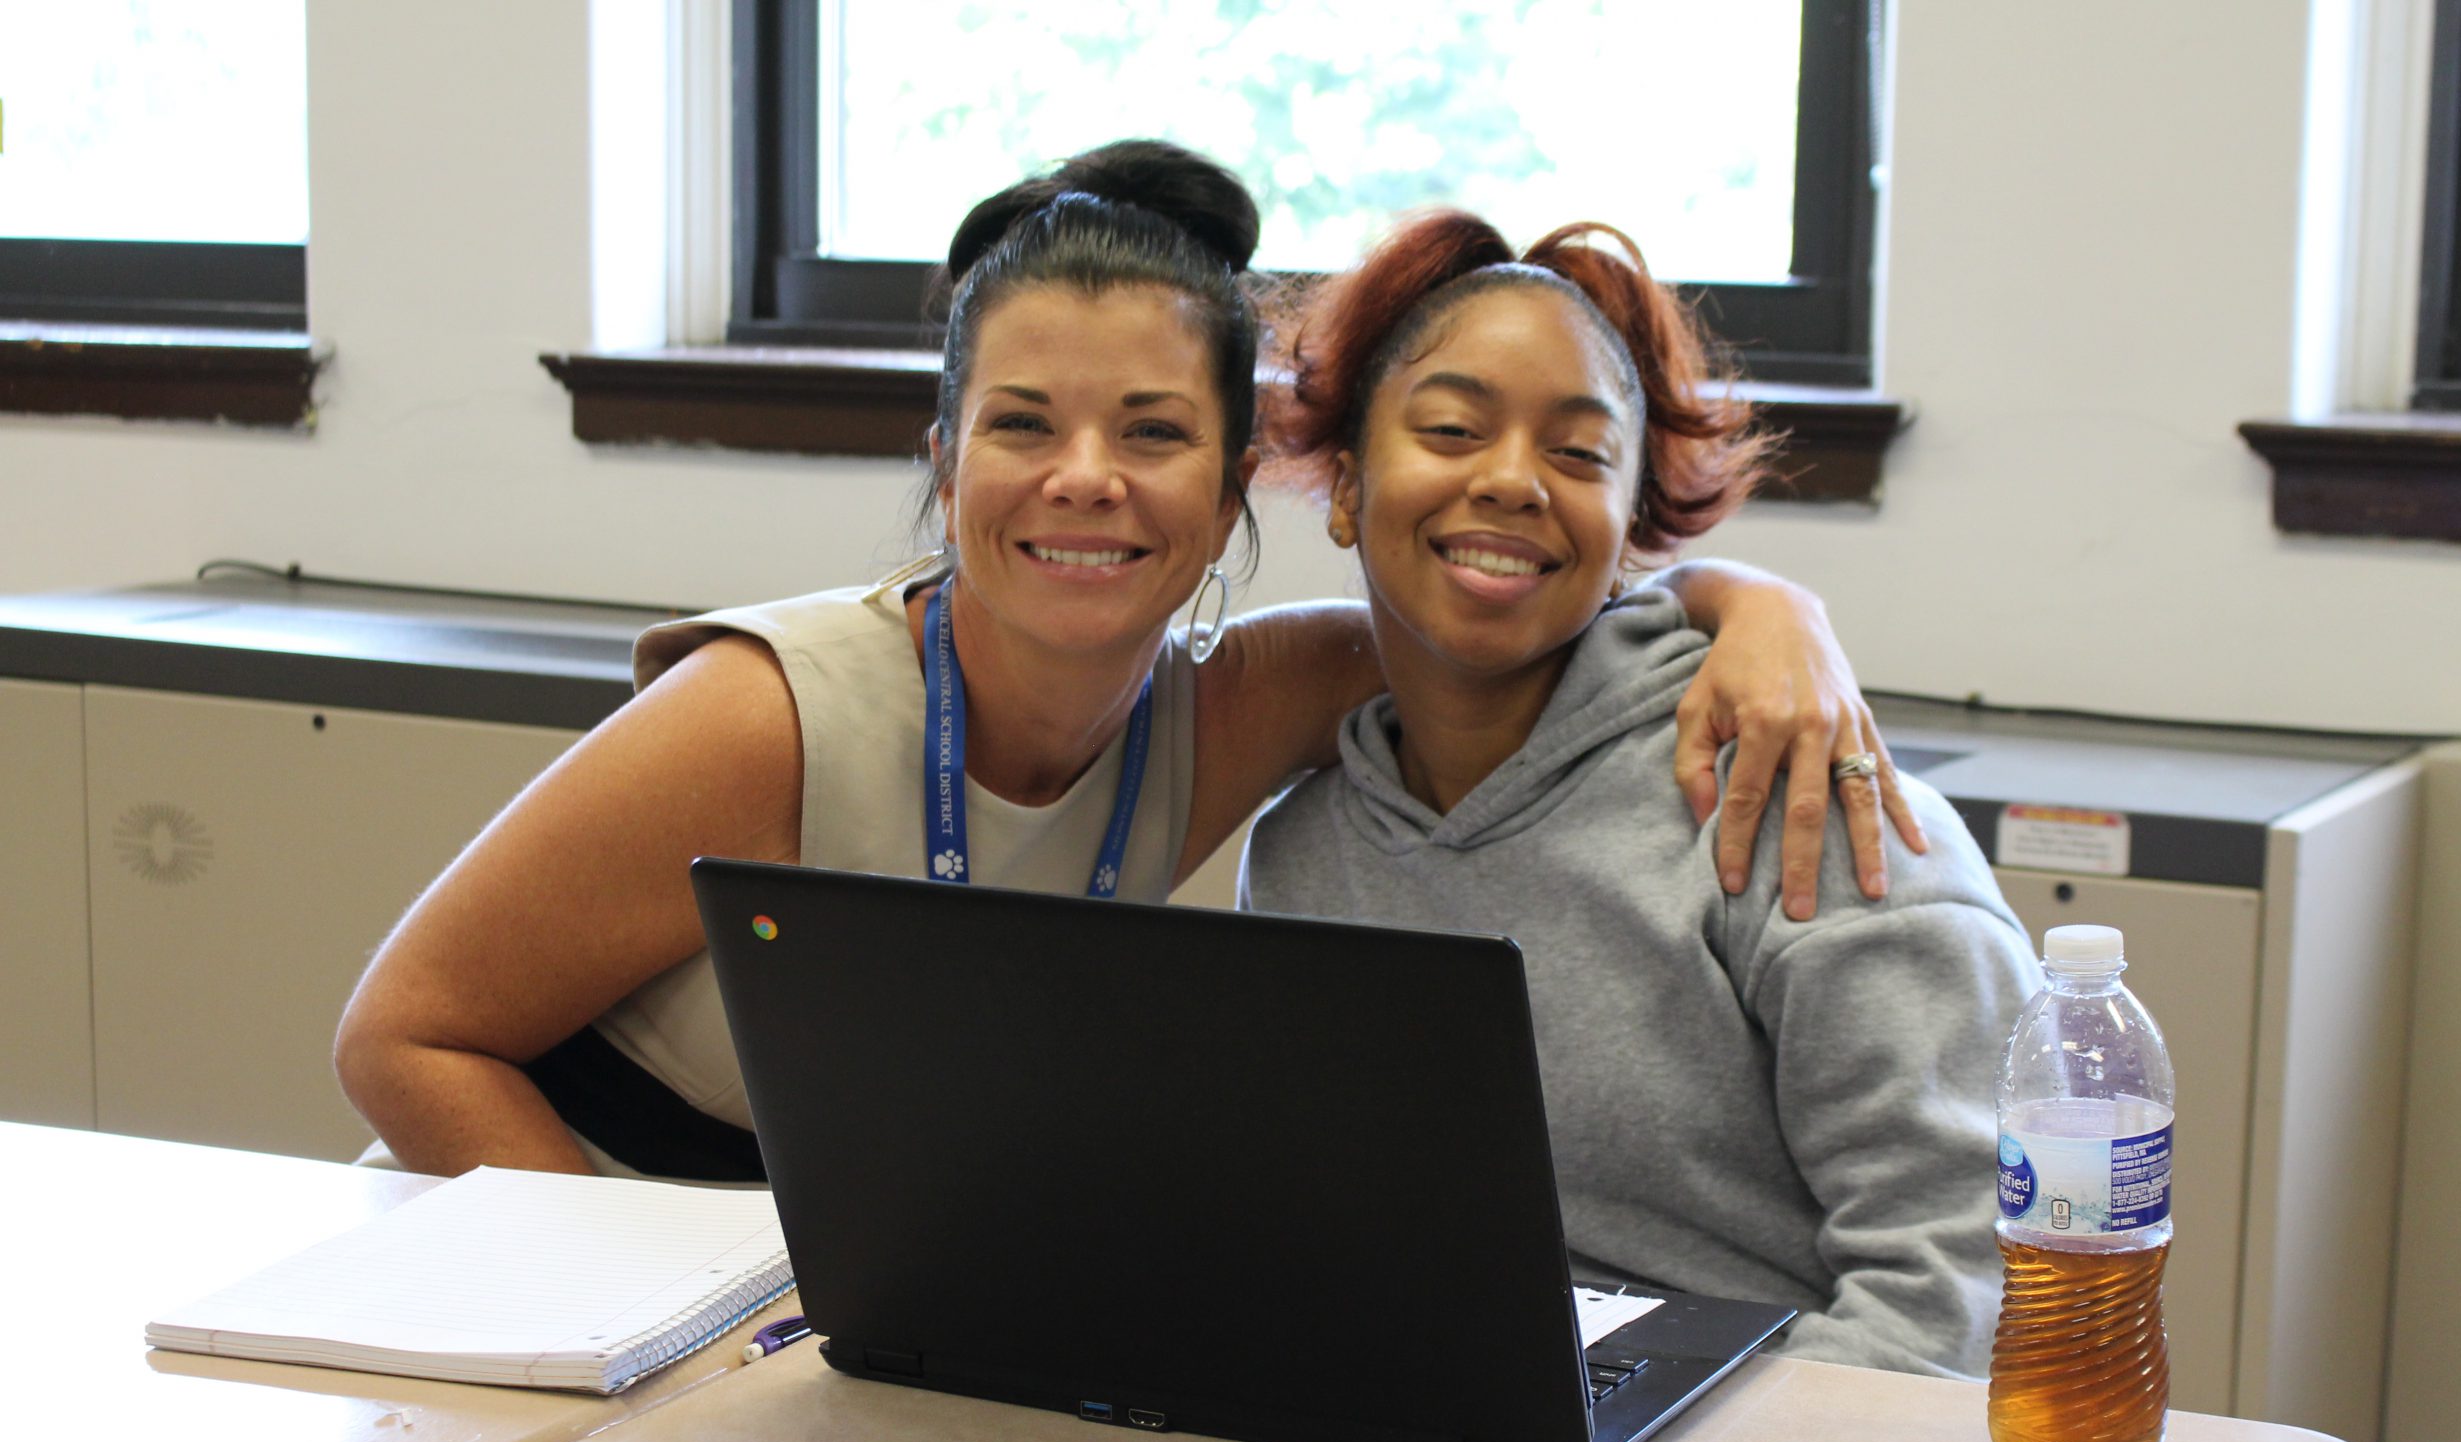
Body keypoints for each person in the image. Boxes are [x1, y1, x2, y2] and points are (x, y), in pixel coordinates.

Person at [335, 141, 1917, 1184]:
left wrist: (1755, 600)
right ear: (946, 457)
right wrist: (673, 1326)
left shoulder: (1239, 705)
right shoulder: (770, 715)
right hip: (543, 1248)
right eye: (1024, 425)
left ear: (1239, 482)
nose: (1085, 478)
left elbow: (1492, 602)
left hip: (820, 1298)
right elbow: (399, 1036)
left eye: (1154, 433)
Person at [1243, 211, 2043, 1379]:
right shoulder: (1306, 848)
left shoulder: (1792, 797)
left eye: (1577, 455)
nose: (1512, 481)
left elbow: (1971, 1280)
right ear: (1349, 485)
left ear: (1627, 532)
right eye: (1454, 428)